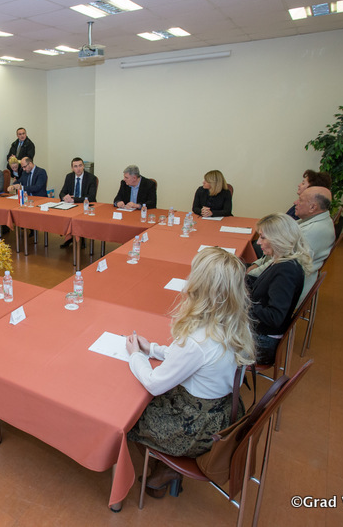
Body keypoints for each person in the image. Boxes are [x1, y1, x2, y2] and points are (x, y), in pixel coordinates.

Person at [124, 247, 255, 498]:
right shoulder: (235, 323)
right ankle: (164, 468)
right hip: (223, 414)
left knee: (131, 418)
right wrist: (152, 348)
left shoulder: (197, 339)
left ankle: (166, 467)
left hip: (195, 427)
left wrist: (136, 355)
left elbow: (154, 383)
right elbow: (191, 359)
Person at [246, 213, 312, 366]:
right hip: (261, 333)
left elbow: (274, 317)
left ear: (279, 239)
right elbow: (263, 284)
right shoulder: (283, 260)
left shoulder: (286, 271)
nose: (258, 242)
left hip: (262, 342)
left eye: (263, 237)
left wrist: (242, 303)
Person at [292, 186, 335, 301]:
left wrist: (254, 269)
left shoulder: (312, 231)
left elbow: (284, 263)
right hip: (293, 279)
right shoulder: (319, 220)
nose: (295, 202)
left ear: (312, 207)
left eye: (300, 200)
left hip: (289, 289)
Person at [59, 157, 97, 248]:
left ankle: (81, 238)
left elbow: (91, 197)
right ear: (72, 168)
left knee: (79, 217)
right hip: (71, 205)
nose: (78, 168)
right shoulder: (69, 177)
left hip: (85, 205)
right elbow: (62, 192)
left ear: (83, 166)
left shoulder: (91, 178)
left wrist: (74, 200)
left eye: (80, 166)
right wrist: (64, 197)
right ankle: (69, 237)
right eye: (75, 166)